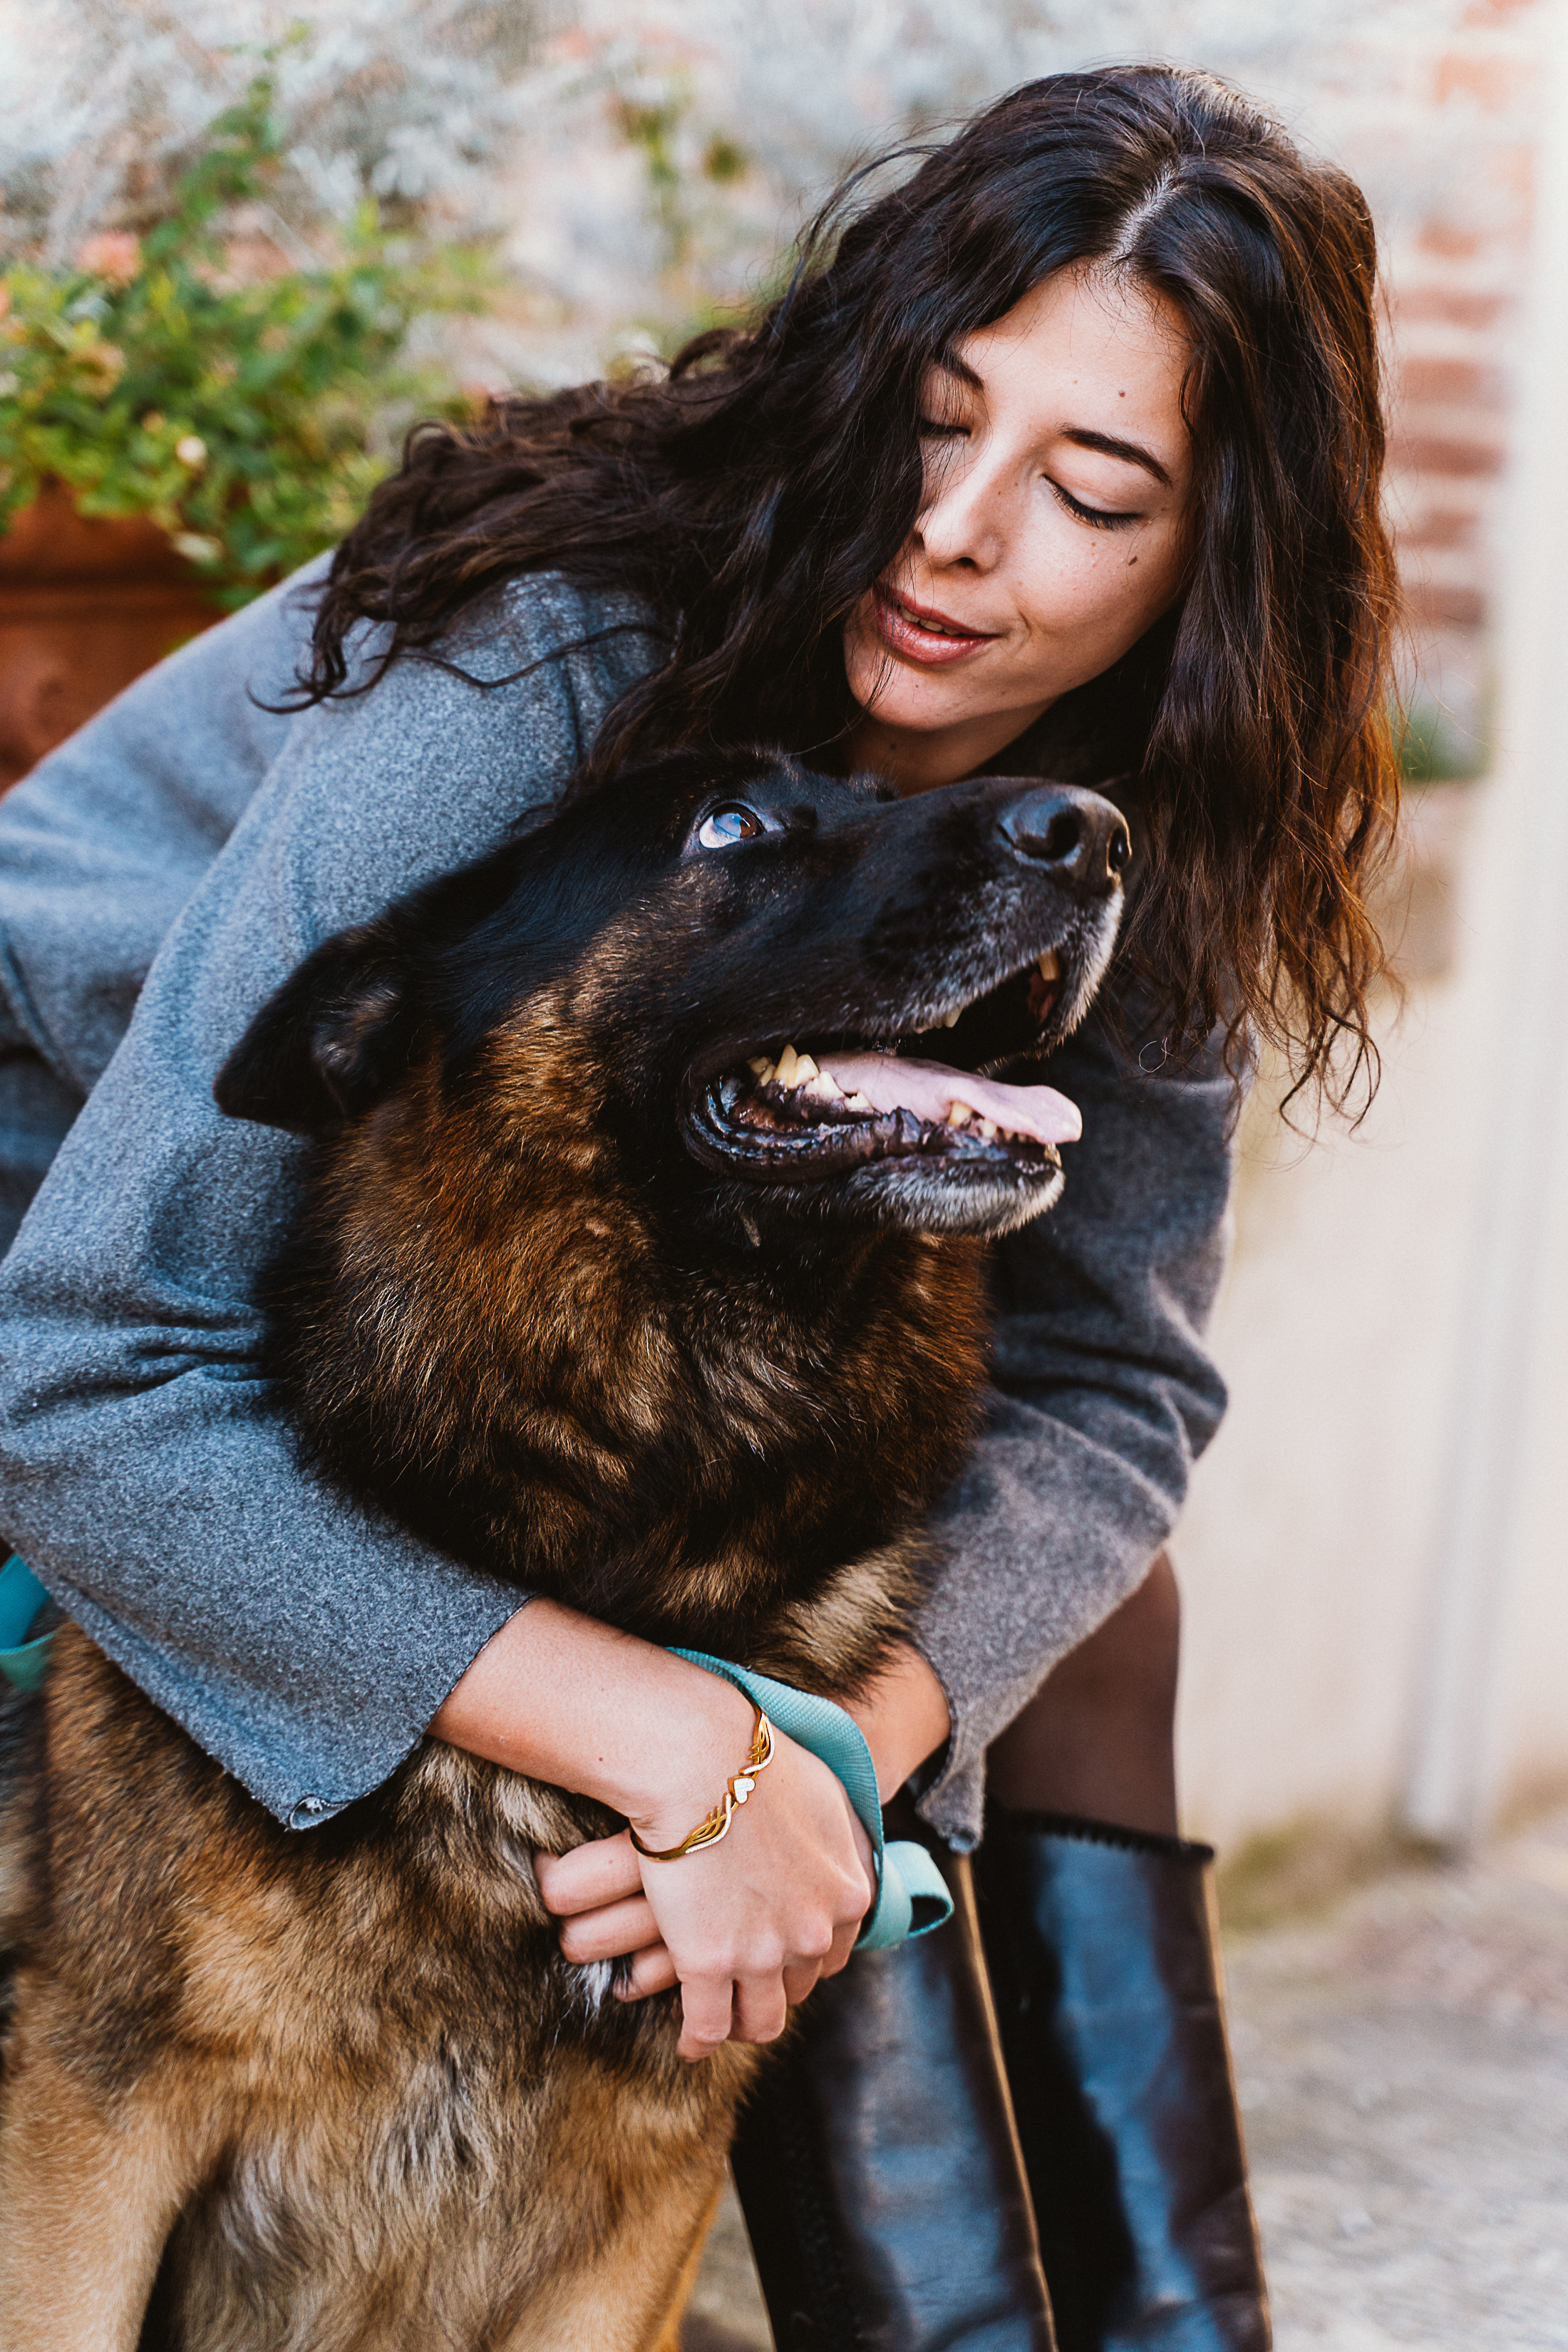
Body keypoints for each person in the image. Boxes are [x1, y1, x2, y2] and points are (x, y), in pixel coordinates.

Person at [0, 63, 1397, 2352]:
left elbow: (1114, 1372)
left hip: (547, 1235)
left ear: (1211, 561)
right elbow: (82, 1358)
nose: (957, 533)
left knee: (1071, 1615)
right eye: (937, 422)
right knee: (711, 1631)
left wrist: (830, 1785)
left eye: (1094, 487)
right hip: (130, 1170)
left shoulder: (1162, 809)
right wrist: (703, 1748)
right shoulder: (563, 645)